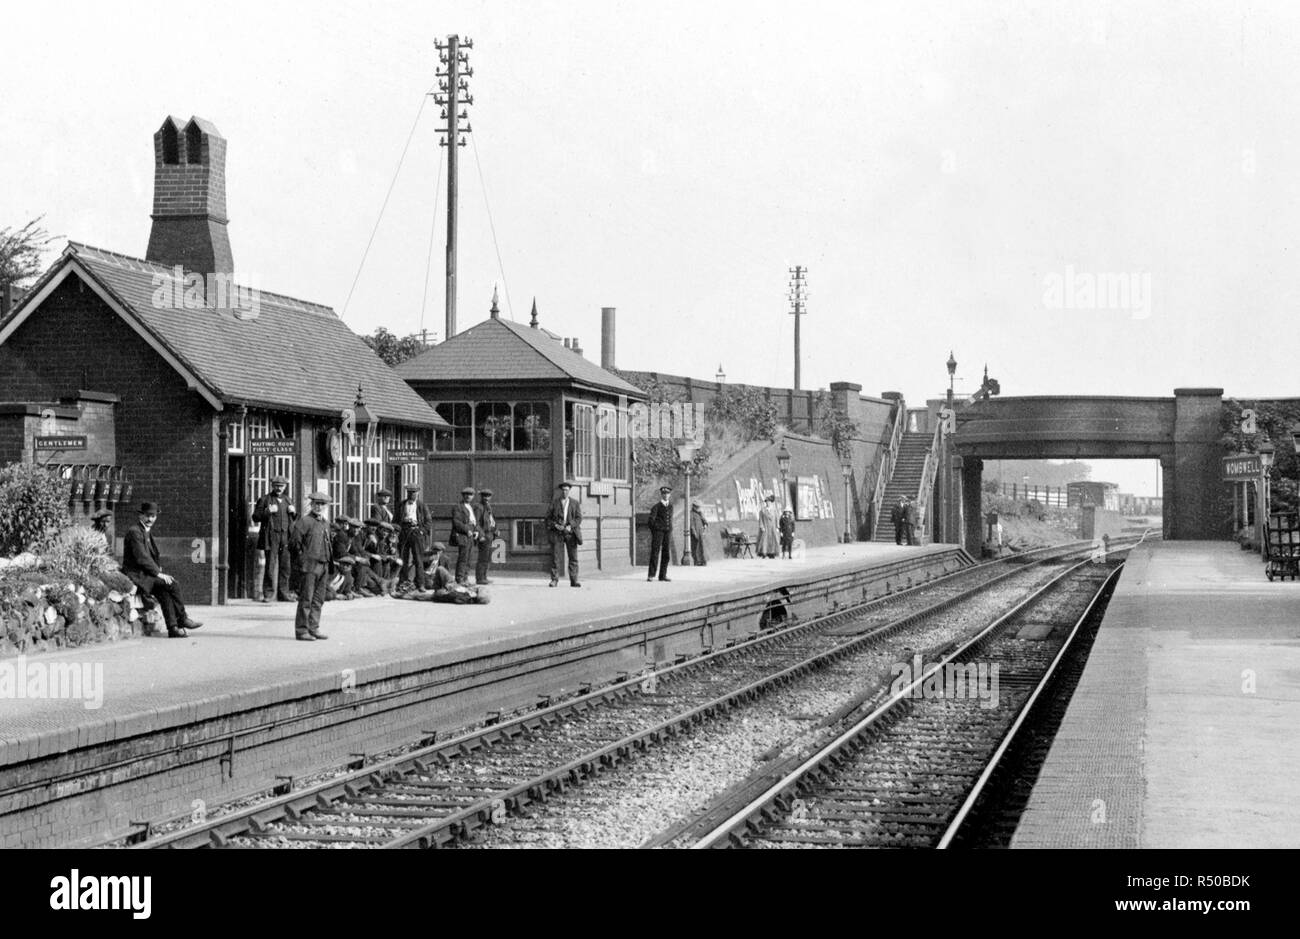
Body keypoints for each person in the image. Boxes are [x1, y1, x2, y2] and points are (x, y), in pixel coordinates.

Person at [121, 501, 203, 639]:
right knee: (172, 584)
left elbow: (151, 557)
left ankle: (173, 629)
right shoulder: (135, 532)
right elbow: (142, 558)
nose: (150, 519)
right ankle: (182, 618)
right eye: (147, 516)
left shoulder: (145, 531)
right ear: (140, 516)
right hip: (137, 575)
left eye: (153, 516)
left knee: (165, 592)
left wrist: (158, 571)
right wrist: (158, 574)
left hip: (145, 574)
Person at [289, 491, 332, 640]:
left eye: (322, 504)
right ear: (311, 504)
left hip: (323, 565)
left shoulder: (325, 523)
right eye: (316, 504)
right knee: (306, 599)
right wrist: (302, 559)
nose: (319, 507)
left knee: (318, 599)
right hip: (309, 565)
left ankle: (313, 627)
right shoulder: (304, 521)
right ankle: (301, 630)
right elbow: (294, 543)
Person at [252, 474, 296, 603]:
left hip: (285, 537)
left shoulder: (288, 500)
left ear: (285, 487)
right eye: (276, 486)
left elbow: (293, 520)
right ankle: (269, 594)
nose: (279, 488)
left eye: (281, 486)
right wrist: (267, 511)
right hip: (271, 537)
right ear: (272, 486)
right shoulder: (265, 499)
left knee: (285, 567)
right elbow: (255, 517)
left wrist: (293, 513)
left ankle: (284, 594)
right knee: (270, 566)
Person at [546, 481, 583, 587]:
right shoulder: (554, 502)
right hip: (557, 533)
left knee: (573, 557)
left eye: (566, 490)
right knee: (555, 557)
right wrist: (555, 525)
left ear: (569, 491)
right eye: (563, 490)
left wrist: (570, 525)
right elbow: (548, 518)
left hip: (570, 533)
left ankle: (574, 580)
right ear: (560, 491)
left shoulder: (575, 503)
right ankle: (554, 580)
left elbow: (579, 518)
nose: (564, 492)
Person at [396, 484, 430, 591]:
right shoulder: (401, 505)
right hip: (404, 532)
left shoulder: (422, 506)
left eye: (414, 492)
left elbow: (428, 522)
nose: (411, 494)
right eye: (410, 492)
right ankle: (403, 582)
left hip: (416, 532)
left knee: (418, 559)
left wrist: (421, 531)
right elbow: (395, 520)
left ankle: (420, 584)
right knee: (403, 558)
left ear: (418, 493)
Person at [451, 486, 478, 585]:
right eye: (466, 495)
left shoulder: (471, 507)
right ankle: (460, 579)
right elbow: (456, 522)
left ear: (473, 496)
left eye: (470, 495)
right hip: (463, 534)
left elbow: (474, 522)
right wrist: (467, 530)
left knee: (469, 558)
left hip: (471, 534)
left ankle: (465, 578)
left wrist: (476, 531)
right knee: (463, 557)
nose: (468, 497)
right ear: (463, 496)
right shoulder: (458, 507)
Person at [647, 485, 674, 581]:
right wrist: (657, 530)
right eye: (664, 494)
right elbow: (650, 521)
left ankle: (662, 575)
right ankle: (651, 575)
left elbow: (669, 519)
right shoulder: (656, 507)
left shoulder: (671, 506)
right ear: (661, 495)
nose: (666, 495)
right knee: (655, 553)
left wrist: (670, 529)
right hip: (658, 533)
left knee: (666, 554)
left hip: (667, 532)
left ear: (670, 495)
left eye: (667, 494)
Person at [474, 489, 498, 585]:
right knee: (482, 558)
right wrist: (481, 535)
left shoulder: (488, 507)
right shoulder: (478, 507)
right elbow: (476, 522)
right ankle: (480, 578)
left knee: (487, 557)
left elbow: (492, 520)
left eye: (488, 496)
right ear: (481, 497)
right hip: (484, 535)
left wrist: (495, 530)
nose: (486, 498)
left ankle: (484, 577)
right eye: (484, 496)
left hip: (490, 534)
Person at [756, 494, 779, 558]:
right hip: (765, 527)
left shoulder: (774, 510)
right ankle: (764, 553)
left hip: (772, 528)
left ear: (771, 503)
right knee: (764, 540)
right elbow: (760, 520)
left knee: (773, 540)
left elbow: (777, 518)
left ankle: (772, 553)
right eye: (766, 502)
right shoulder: (762, 511)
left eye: (769, 502)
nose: (768, 503)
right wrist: (762, 527)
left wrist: (777, 526)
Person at [689, 500, 708, 567]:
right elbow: (691, 525)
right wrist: (694, 533)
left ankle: (703, 561)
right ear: (694, 507)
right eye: (697, 507)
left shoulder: (700, 513)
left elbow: (705, 522)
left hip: (701, 532)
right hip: (696, 533)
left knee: (702, 547)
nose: (698, 508)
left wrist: (705, 524)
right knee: (696, 547)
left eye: (699, 507)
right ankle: (697, 561)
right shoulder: (691, 514)